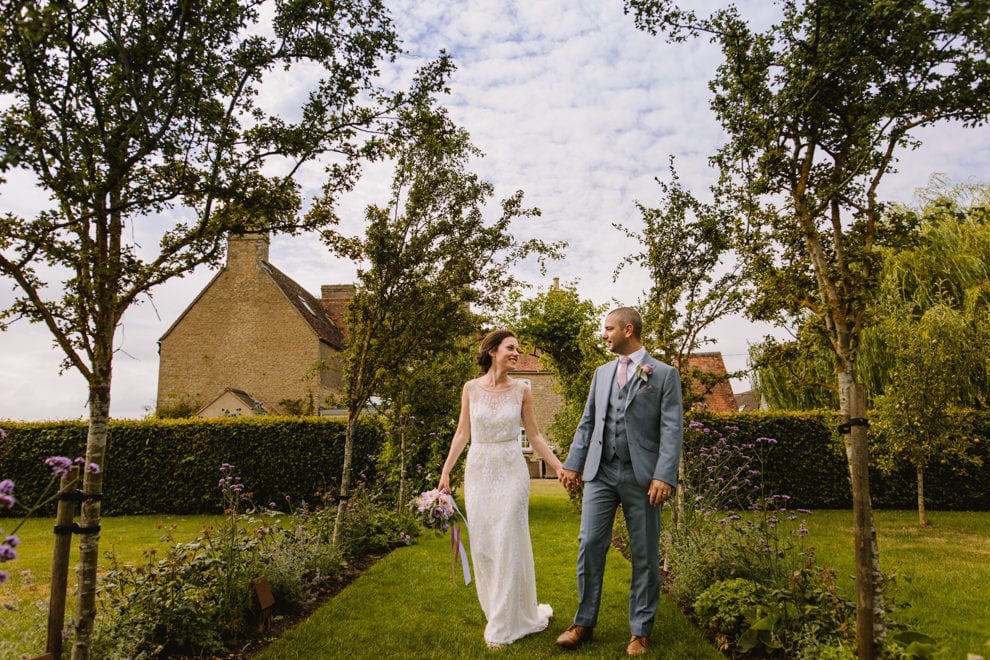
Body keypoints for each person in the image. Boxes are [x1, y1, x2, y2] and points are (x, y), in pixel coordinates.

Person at [556, 307, 683, 657]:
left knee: (644, 553)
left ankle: (640, 631)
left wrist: (664, 475)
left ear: (628, 330)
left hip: (643, 477)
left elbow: (672, 430)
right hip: (601, 472)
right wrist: (573, 463)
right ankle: (583, 622)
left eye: (608, 329)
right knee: (589, 544)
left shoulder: (664, 374)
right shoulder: (601, 373)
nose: (604, 334)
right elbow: (588, 422)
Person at [438, 329, 565, 649]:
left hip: (511, 470)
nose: (516, 352)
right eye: (511, 347)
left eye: (517, 348)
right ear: (492, 351)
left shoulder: (522, 390)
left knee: (508, 538)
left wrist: (559, 466)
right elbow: (462, 433)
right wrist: (446, 470)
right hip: (480, 470)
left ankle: (502, 624)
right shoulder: (470, 389)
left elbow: (535, 436)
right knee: (484, 546)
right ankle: (499, 609)